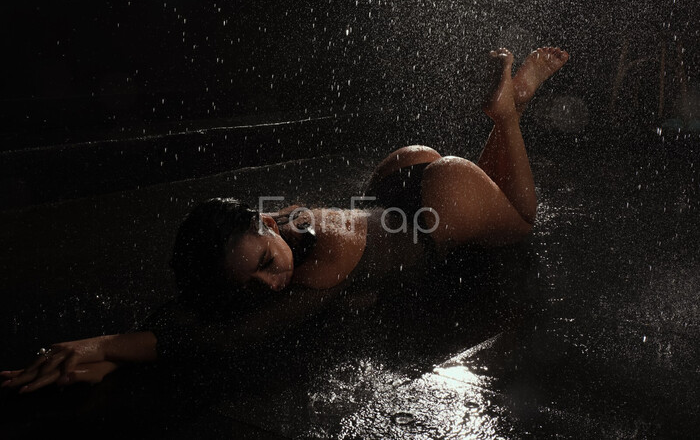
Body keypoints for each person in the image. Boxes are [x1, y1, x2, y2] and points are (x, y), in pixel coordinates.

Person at [1, 47, 569, 394]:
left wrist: (105, 344)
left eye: (266, 263)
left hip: (436, 206)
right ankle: (513, 104)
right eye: (255, 281)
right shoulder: (273, 221)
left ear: (268, 230)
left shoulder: (323, 262)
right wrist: (107, 360)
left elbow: (232, 336)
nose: (272, 282)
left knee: (520, 221)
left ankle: (507, 117)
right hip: (406, 178)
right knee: (492, 201)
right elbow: (206, 303)